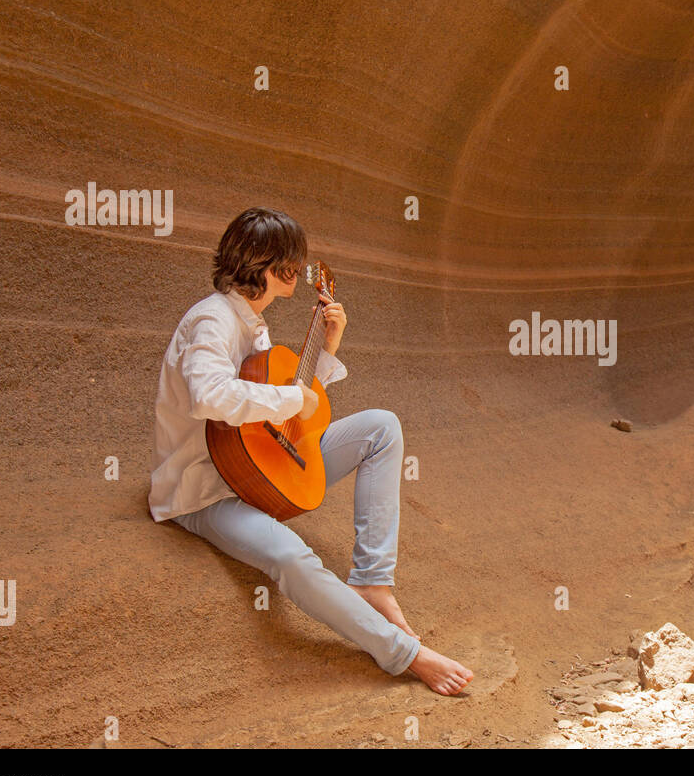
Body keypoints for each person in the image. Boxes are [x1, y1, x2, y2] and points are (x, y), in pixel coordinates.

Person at [148, 206, 472, 695]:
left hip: (257, 464)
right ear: (264, 264)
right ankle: (402, 653)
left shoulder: (252, 323)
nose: (299, 272)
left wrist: (328, 350)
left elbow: (288, 414)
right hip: (205, 490)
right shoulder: (213, 321)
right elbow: (210, 397)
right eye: (292, 262)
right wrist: (296, 395)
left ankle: (372, 582)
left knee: (381, 427)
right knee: (293, 557)